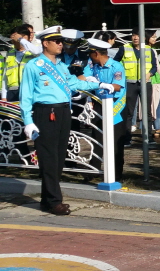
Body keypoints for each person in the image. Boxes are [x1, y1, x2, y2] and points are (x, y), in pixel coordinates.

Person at [19, 26, 105, 215]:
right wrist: (28, 120)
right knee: (48, 157)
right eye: (57, 41)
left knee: (58, 157)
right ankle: (54, 201)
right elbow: (25, 95)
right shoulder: (34, 66)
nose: (61, 44)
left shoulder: (60, 65)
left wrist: (98, 84)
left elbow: (74, 83)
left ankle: (47, 200)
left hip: (64, 111)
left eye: (61, 41)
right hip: (46, 112)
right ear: (45, 43)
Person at [84, 38, 127, 180]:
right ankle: (93, 170)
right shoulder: (94, 66)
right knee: (97, 138)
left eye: (90, 54)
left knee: (116, 141)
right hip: (99, 103)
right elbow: (84, 77)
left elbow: (117, 86)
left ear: (96, 53)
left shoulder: (116, 66)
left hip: (115, 105)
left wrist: (100, 83)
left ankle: (116, 173)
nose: (89, 56)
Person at [2, 25, 36, 101]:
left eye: (15, 39)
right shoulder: (10, 53)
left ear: (25, 37)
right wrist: (4, 96)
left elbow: (37, 51)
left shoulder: (34, 51)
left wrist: (21, 40)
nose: (13, 41)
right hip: (12, 93)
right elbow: (5, 76)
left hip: (30, 91)